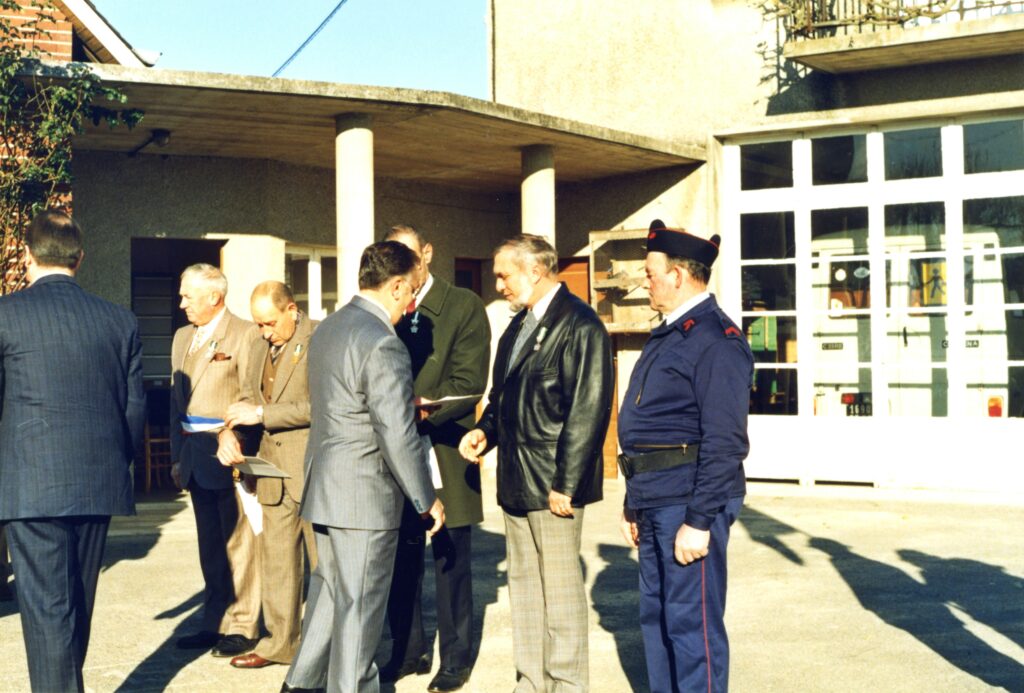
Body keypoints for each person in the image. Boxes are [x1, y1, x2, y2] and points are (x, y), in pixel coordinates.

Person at [283, 240, 445, 693]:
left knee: (329, 598)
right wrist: (426, 498)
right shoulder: (382, 343)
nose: (412, 302)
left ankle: (298, 686)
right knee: (359, 614)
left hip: (326, 489)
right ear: (395, 286)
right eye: (411, 291)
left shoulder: (330, 328)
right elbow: (395, 432)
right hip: (365, 497)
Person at [459, 234, 613, 693]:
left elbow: (588, 411)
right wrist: (484, 432)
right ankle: (530, 681)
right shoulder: (517, 327)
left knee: (561, 595)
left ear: (535, 271)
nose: (500, 285)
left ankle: (566, 685)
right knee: (526, 592)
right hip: (517, 481)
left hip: (555, 487)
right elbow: (506, 398)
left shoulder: (581, 326)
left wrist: (566, 483)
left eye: (505, 275)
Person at [0, 210, 145, 692]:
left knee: (47, 615)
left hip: (30, 483)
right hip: (97, 480)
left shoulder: (5, 315)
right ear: (80, 259)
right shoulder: (118, 320)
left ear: (26, 256)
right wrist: (115, 464)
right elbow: (133, 410)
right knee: (74, 605)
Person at [616, 219, 753, 693]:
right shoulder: (672, 333)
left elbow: (724, 441)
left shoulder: (716, 339)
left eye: (651, 272)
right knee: (656, 619)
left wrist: (699, 519)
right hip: (655, 498)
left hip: (688, 501)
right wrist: (633, 501)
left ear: (678, 275)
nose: (645, 280)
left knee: (691, 626)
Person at [382, 225, 490, 693]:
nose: (404, 267)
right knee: (400, 557)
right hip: (398, 450)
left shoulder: (463, 305)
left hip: (446, 445)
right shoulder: (388, 305)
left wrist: (417, 409)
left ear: (428, 252)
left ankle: (456, 659)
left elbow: (470, 382)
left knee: (450, 560)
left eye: (410, 255)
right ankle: (407, 651)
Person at [215, 281, 318, 670]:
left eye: (270, 323)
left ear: (292, 310)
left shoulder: (320, 338)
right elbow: (246, 400)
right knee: (277, 565)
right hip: (271, 470)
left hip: (313, 470)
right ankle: (280, 644)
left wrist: (262, 416)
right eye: (258, 324)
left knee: (324, 567)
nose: (264, 332)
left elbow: (321, 403)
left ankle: (327, 647)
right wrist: (229, 432)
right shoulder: (257, 346)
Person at [169, 263, 262, 657]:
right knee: (210, 546)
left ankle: (243, 624)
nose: (182, 302)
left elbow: (253, 395)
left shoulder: (245, 334)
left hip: (229, 453)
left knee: (239, 544)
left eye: (188, 295)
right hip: (193, 455)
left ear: (215, 297)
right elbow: (178, 403)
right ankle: (214, 620)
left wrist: (235, 436)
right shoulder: (180, 337)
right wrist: (176, 457)